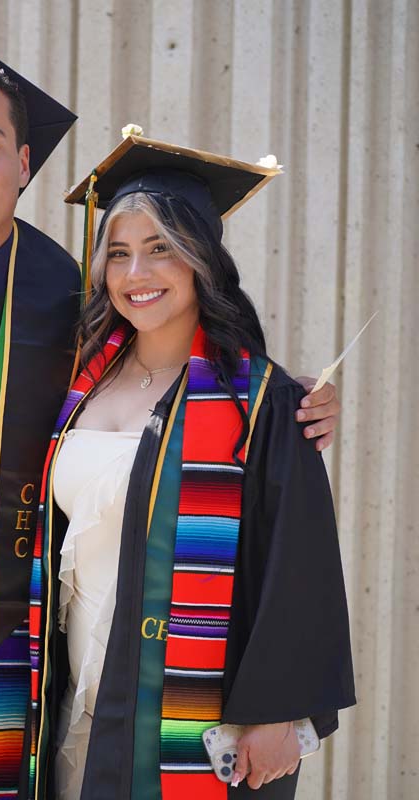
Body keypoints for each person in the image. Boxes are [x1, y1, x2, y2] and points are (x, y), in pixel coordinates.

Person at [0, 30, 342, 800]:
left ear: (23, 162)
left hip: (12, 653)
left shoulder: (73, 299)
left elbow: (185, 363)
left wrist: (290, 402)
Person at [24, 135, 355, 800]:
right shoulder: (79, 381)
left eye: (161, 247)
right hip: (74, 685)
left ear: (202, 258)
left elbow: (298, 561)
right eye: (118, 253)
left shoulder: (256, 402)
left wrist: (280, 711)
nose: (136, 272)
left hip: (191, 705)